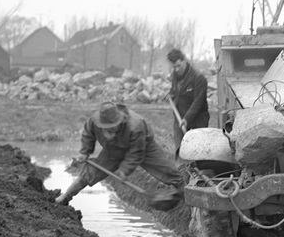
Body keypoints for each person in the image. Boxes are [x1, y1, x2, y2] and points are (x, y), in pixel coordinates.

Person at [55, 101, 184, 205]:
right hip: (113, 150)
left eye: (114, 127)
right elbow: (88, 134)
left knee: (167, 171)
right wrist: (85, 152)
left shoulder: (135, 126)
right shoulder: (94, 121)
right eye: (108, 130)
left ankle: (186, 192)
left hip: (143, 146)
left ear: (120, 120)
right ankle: (65, 197)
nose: (111, 131)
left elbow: (136, 153)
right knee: (89, 174)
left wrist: (124, 170)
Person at [167, 48, 209, 156]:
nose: (176, 69)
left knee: (197, 151)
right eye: (174, 67)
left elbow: (198, 102)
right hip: (179, 119)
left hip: (197, 121)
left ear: (184, 60)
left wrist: (186, 119)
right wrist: (171, 94)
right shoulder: (175, 76)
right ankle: (182, 171)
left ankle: (199, 170)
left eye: (178, 65)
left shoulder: (198, 78)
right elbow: (175, 91)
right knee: (180, 151)